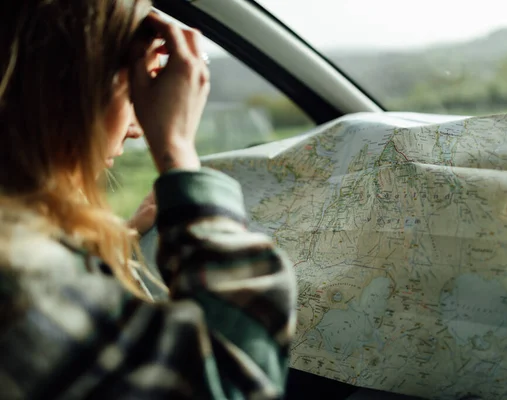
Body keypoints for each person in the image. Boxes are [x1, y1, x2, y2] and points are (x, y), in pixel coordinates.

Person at [0, 1, 296, 399]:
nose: (138, 129)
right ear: (70, 87)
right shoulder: (19, 273)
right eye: (135, 85)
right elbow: (234, 383)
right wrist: (177, 153)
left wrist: (122, 235)